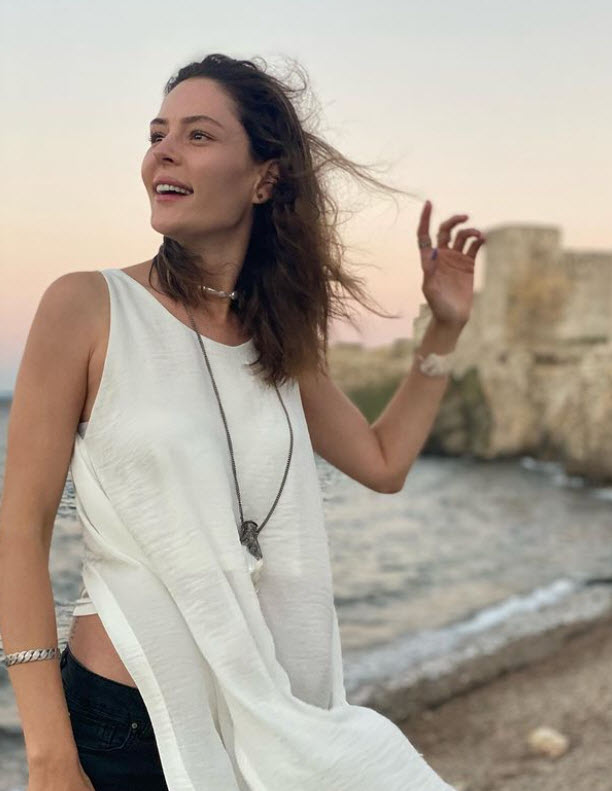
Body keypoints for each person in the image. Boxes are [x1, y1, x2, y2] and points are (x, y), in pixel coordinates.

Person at [0, 53, 485, 791]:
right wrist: (48, 756)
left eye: (197, 135)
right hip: (124, 727)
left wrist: (444, 329)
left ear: (265, 177)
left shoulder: (279, 339)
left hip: (272, 724)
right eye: (157, 134)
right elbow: (19, 528)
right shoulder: (87, 306)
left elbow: (383, 462)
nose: (163, 151)